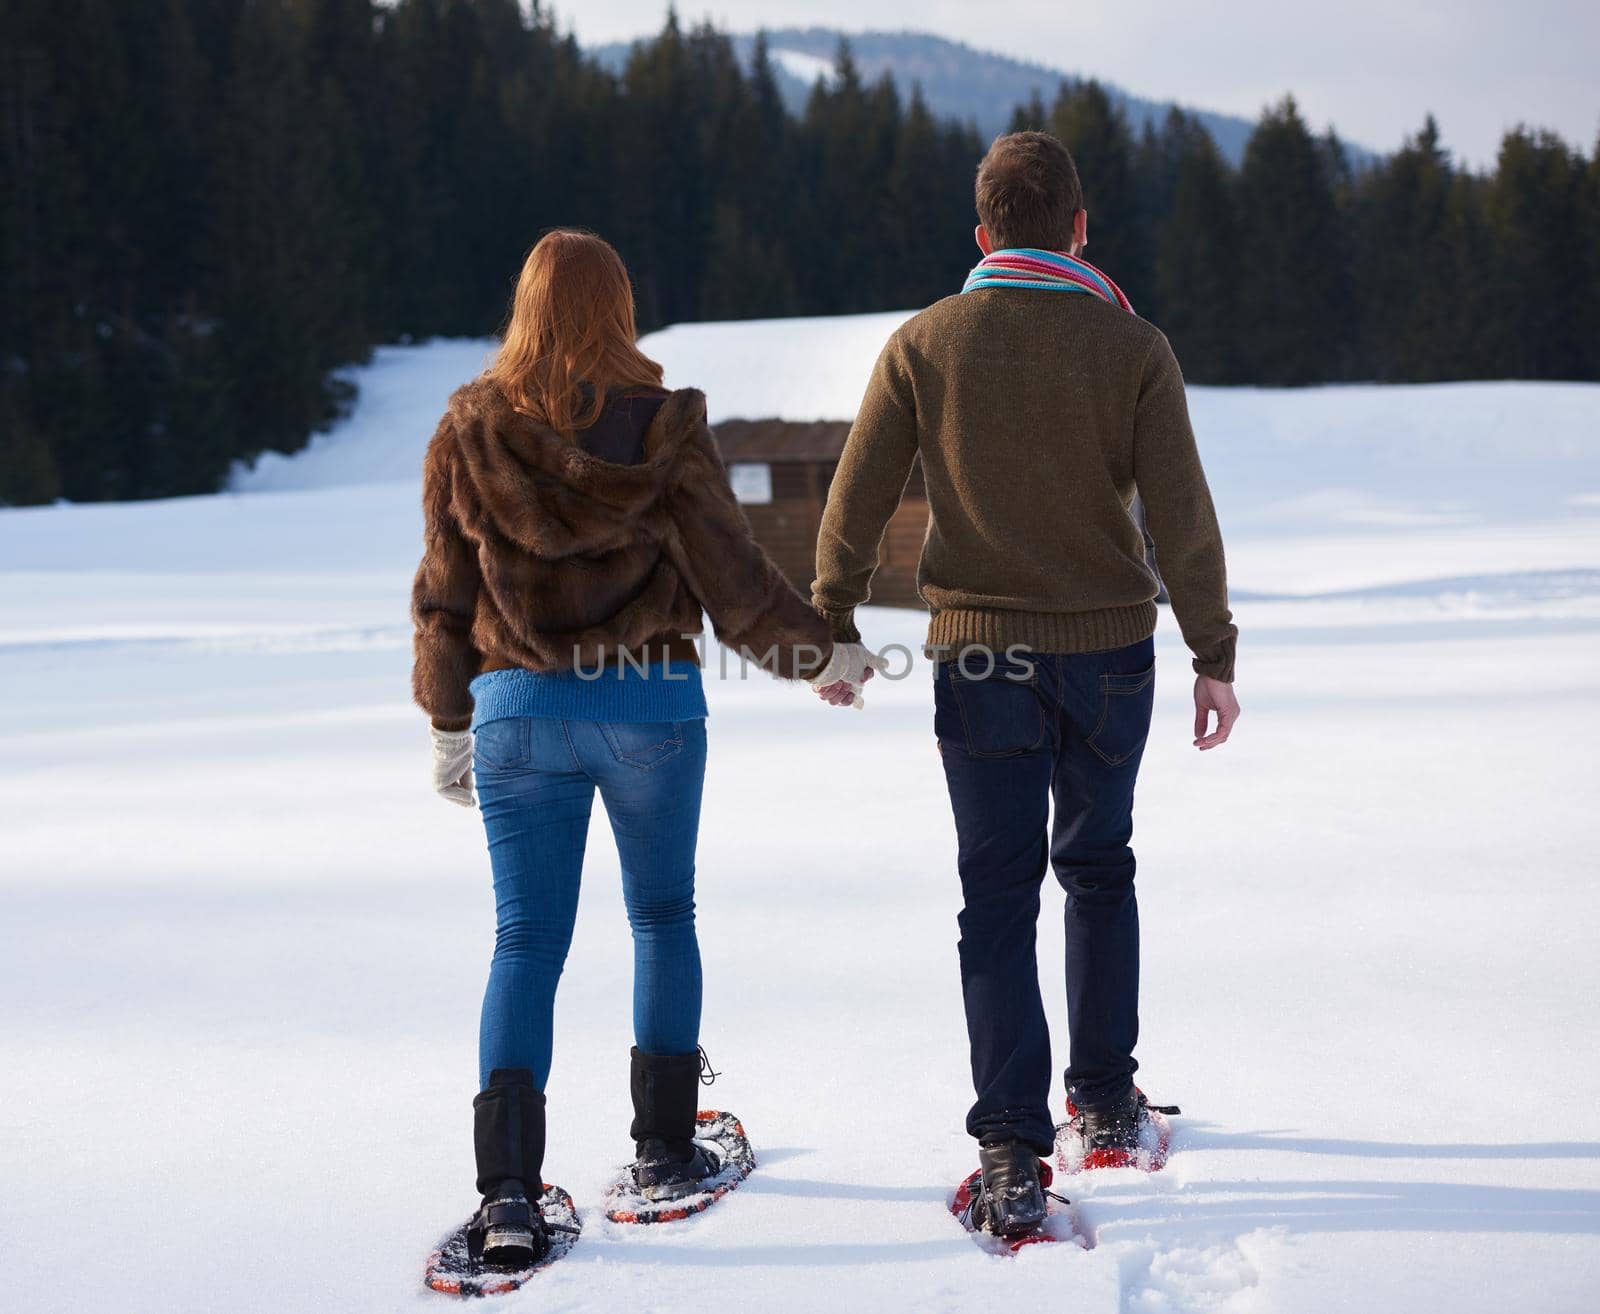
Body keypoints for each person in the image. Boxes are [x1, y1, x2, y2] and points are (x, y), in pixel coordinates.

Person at [411, 229, 879, 1267]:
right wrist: (826, 659)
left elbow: (442, 599)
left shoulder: (468, 427)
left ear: (526, 308)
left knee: (524, 941)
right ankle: (666, 1151)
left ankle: (507, 1197)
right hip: (650, 710)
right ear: (618, 311)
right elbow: (735, 581)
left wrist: (450, 724)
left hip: (517, 711)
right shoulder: (665, 429)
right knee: (662, 914)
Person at [812, 132, 1240, 1237]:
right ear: (1081, 227)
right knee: (1098, 867)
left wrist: (834, 622)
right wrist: (1213, 652)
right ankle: (1101, 1101)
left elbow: (856, 496)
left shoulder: (924, 343)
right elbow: (1183, 515)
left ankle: (1009, 1143)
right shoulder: (1132, 345)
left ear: (983, 234)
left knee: (996, 894)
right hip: (1108, 655)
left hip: (979, 655)